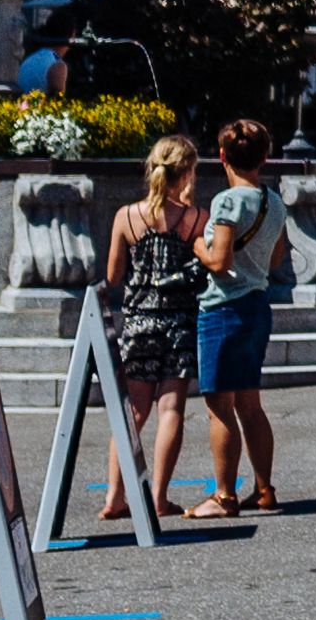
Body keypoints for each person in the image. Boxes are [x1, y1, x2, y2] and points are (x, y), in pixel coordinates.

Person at [94, 137, 217, 525]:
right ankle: (159, 498)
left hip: (139, 322)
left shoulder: (126, 216)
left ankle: (115, 496)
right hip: (179, 322)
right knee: (170, 410)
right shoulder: (196, 217)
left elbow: (113, 277)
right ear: (188, 171)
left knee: (132, 412)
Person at [190, 120, 285, 513]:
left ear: (223, 156)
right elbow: (278, 257)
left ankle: (224, 495)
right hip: (257, 306)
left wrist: (197, 243)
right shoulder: (273, 201)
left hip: (223, 307)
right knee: (251, 404)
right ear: (264, 157)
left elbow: (219, 259)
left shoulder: (228, 201)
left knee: (219, 405)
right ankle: (265, 490)